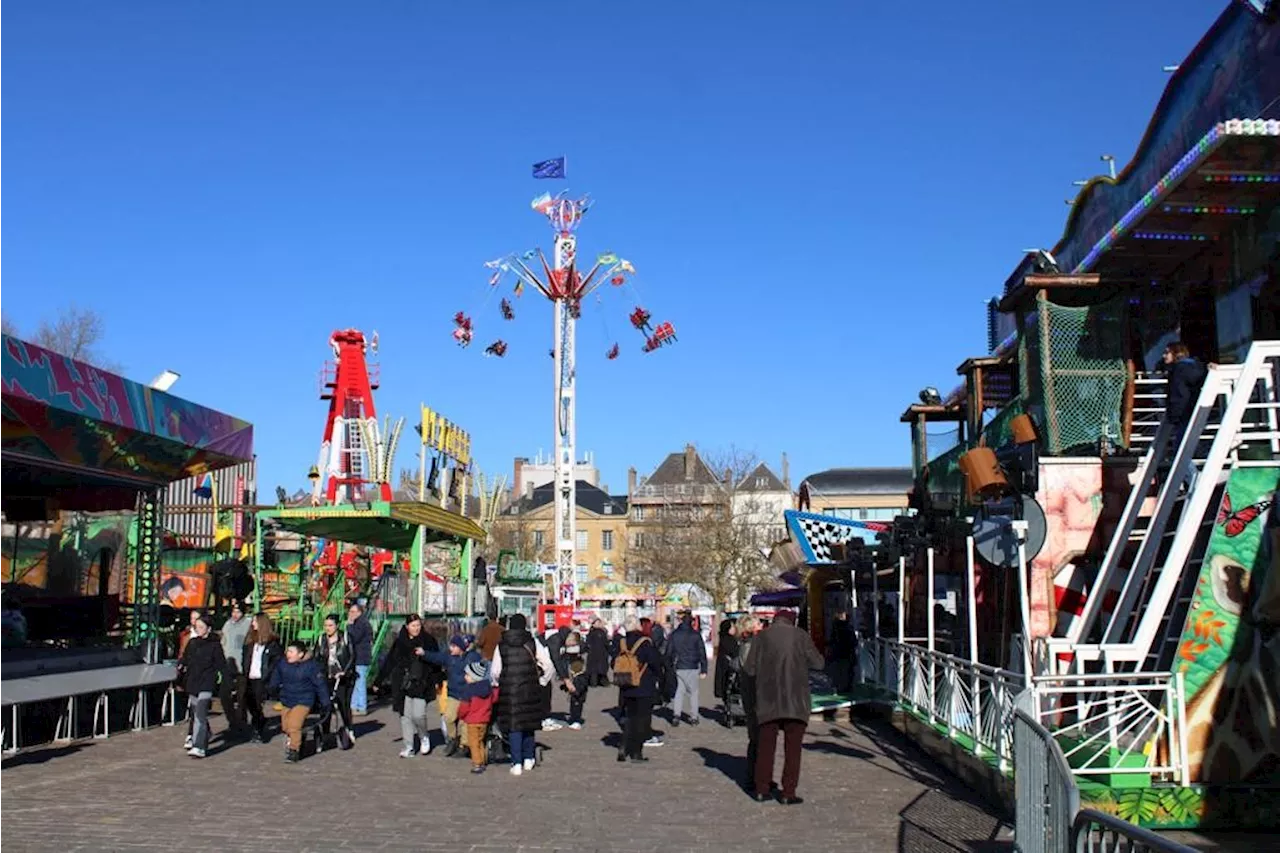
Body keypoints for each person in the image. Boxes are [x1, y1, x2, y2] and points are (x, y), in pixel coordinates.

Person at [742, 610, 824, 804]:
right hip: (796, 701)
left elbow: (749, 668)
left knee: (765, 747)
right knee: (793, 749)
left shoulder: (761, 637)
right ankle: (788, 792)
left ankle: (761, 789)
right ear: (792, 621)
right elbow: (818, 663)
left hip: (767, 700)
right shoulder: (801, 636)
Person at [489, 613, 553, 776]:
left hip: (509, 689)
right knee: (528, 723)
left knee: (513, 725)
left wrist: (497, 683)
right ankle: (529, 758)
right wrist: (543, 681)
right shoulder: (532, 642)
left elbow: (495, 671)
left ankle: (516, 762)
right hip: (529, 687)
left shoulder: (502, 645)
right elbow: (547, 664)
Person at [267, 639, 331, 762]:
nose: (288, 654)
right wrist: (271, 688)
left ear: (300, 654)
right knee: (286, 727)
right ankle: (298, 739)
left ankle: (294, 750)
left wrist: (325, 701)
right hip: (287, 699)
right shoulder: (282, 664)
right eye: (287, 651)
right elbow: (276, 677)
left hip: (304, 700)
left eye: (291, 651)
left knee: (294, 725)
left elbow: (320, 685)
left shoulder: (311, 666)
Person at [385, 614, 438, 757]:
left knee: (418, 715)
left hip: (421, 682)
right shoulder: (400, 641)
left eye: (418, 625)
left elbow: (436, 660)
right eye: (413, 626)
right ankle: (408, 746)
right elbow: (390, 661)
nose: (416, 628)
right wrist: (379, 681)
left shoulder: (428, 640)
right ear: (407, 627)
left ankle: (424, 736)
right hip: (402, 683)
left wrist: (438, 679)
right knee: (405, 716)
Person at [424, 634, 481, 756]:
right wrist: (424, 653)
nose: (451, 648)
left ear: (461, 647)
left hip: (467, 694)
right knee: (448, 717)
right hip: (453, 694)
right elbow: (436, 657)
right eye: (451, 646)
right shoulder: (449, 657)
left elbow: (480, 671)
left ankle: (463, 745)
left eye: (454, 646)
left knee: (465, 722)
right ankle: (452, 739)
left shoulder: (473, 657)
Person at [178, 615, 225, 758]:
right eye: (196, 627)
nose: (198, 630)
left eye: (201, 627)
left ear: (208, 629)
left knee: (200, 714)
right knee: (196, 713)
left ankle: (200, 746)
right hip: (192, 682)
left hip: (206, 683)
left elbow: (221, 665)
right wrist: (181, 667)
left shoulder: (215, 645)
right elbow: (185, 660)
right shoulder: (192, 643)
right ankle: (204, 734)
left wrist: (223, 682)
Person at [615, 616, 660, 762]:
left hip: (626, 684)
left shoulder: (621, 642)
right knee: (642, 720)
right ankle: (636, 753)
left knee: (630, 718)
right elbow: (655, 662)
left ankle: (623, 746)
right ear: (637, 626)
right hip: (643, 685)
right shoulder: (645, 642)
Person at [313, 613, 355, 750]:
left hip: (342, 678)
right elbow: (317, 657)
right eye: (325, 625)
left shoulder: (346, 638)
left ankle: (348, 728)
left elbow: (352, 656)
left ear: (337, 625)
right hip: (326, 676)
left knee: (343, 704)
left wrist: (345, 671)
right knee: (325, 705)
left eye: (330, 625)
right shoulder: (321, 639)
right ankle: (324, 732)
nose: (327, 628)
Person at [241, 612, 282, 743]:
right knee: (248, 701)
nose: (253, 624)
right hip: (249, 676)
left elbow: (276, 661)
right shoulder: (250, 642)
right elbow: (246, 657)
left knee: (258, 704)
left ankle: (257, 731)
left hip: (262, 678)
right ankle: (260, 720)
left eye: (255, 621)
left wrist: (269, 675)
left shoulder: (272, 643)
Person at [666, 613, 707, 726]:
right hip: (692, 666)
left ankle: (676, 715)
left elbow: (668, 651)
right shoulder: (695, 634)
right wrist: (704, 668)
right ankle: (694, 717)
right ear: (691, 622)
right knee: (693, 692)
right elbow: (701, 652)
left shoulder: (674, 634)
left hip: (679, 665)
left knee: (680, 691)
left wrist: (668, 665)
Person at [734, 616, 761, 788]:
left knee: (756, 738)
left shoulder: (746, 643)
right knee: (758, 739)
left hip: (750, 695)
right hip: (755, 696)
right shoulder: (751, 645)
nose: (762, 625)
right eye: (759, 623)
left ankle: (757, 776)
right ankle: (756, 777)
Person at [218, 601, 251, 736]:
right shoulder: (228, 624)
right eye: (233, 612)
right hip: (228, 664)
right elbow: (223, 641)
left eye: (238, 612)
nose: (235, 615)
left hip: (241, 665)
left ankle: (241, 723)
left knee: (241, 697)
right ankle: (232, 721)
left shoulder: (248, 624)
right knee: (224, 695)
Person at [457, 660, 495, 774]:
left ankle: (477, 763)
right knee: (480, 741)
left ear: (474, 677)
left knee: (473, 742)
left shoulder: (469, 690)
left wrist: (460, 715)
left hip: (472, 720)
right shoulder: (488, 688)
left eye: (467, 675)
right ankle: (482, 760)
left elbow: (464, 707)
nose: (465, 677)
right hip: (484, 720)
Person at [556, 630, 590, 729]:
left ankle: (576, 719)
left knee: (578, 697)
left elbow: (584, 648)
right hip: (571, 675)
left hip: (580, 676)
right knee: (573, 698)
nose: (568, 641)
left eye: (571, 639)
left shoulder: (580, 648)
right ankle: (574, 717)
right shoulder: (564, 650)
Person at [346, 602, 373, 716]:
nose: (350, 614)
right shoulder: (361, 622)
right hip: (358, 656)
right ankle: (354, 705)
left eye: (353, 612)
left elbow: (355, 637)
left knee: (360, 682)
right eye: (350, 612)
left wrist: (350, 625)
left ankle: (361, 706)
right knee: (356, 682)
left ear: (359, 612)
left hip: (361, 657)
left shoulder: (361, 623)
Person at [827, 610, 856, 694]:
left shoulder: (835, 627)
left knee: (839, 671)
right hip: (847, 652)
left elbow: (833, 640)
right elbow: (853, 641)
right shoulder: (847, 627)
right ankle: (847, 687)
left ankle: (839, 688)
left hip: (839, 652)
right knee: (848, 671)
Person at [714, 618, 739, 711]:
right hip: (728, 668)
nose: (734, 628)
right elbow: (735, 652)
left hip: (725, 666)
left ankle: (728, 707)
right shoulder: (728, 640)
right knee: (728, 687)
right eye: (732, 627)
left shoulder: (724, 638)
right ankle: (729, 707)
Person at [586, 619, 611, 687]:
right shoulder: (602, 632)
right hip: (601, 653)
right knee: (602, 669)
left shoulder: (591, 632)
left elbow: (588, 643)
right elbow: (606, 643)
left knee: (594, 669)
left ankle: (593, 683)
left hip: (593, 653)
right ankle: (603, 682)